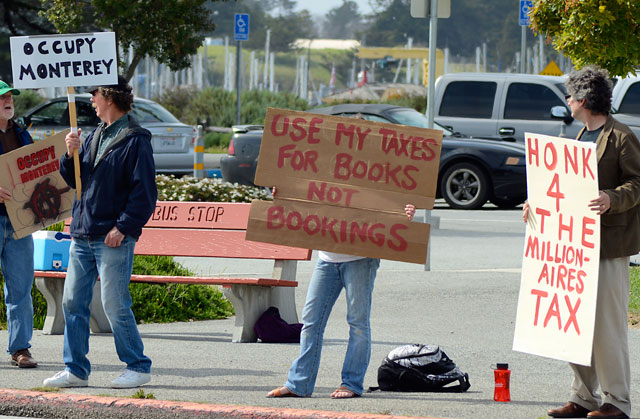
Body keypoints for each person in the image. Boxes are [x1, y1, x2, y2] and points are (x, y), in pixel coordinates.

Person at [523, 66, 640, 419]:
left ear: (584, 100)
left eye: (570, 96)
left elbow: (637, 183)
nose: (567, 101)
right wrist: (536, 206)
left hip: (608, 246)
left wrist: (610, 198)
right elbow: (564, 192)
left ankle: (617, 402)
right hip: (573, 248)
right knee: (572, 325)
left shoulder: (620, 136)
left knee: (606, 328)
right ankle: (583, 397)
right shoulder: (578, 140)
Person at [43, 75, 157, 389]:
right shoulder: (95, 135)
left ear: (108, 96)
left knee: (114, 303)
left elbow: (144, 194)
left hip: (112, 236)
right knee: (72, 303)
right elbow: (74, 179)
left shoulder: (136, 139)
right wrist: (70, 155)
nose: (91, 100)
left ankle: (137, 365)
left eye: (94, 94)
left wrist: (124, 227)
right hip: (83, 232)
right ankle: (76, 369)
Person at [268, 202, 417, 399]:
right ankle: (299, 383)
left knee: (357, 323)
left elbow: (387, 193)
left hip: (361, 258)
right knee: (311, 322)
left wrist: (402, 212)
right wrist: (285, 193)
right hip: (327, 258)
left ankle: (352, 384)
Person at [0, 80, 37, 369]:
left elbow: (39, 168)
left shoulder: (23, 132)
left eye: (10, 97)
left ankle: (20, 348)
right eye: (3, 97)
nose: (8, 101)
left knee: (21, 287)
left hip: (18, 220)